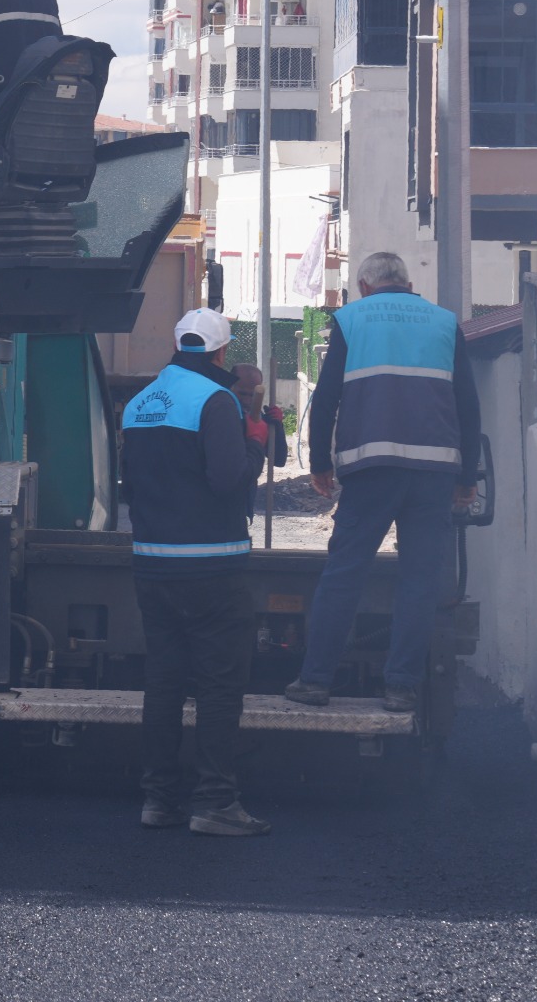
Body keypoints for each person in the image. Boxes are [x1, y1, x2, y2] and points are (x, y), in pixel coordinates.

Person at [287, 251, 480, 713]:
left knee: (345, 574)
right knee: (419, 579)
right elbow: (467, 404)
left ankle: (315, 682)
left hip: (370, 469)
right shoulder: (443, 322)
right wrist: (467, 475)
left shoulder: (352, 319)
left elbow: (328, 395)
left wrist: (319, 464)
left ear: (365, 286)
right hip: (433, 472)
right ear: (408, 283)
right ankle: (401, 687)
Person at [119, 307, 272, 837]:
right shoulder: (216, 399)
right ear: (221, 352)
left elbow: (129, 487)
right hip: (211, 568)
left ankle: (159, 801)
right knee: (218, 686)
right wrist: (256, 440)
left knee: (163, 684)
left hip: (153, 566)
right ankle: (214, 803)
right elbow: (229, 478)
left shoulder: (138, 404)